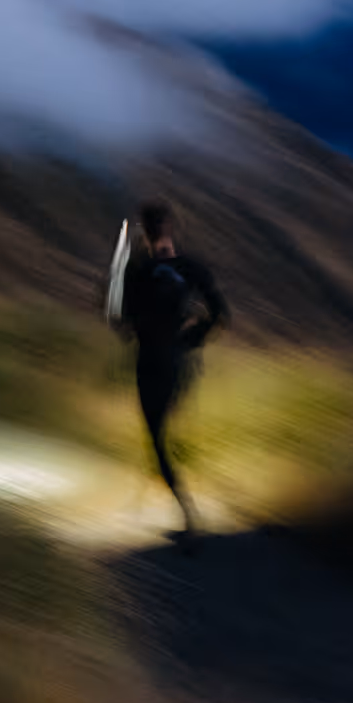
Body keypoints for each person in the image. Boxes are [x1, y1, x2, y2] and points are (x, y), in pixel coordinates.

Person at [115, 200, 228, 537]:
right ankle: (167, 503)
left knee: (157, 437)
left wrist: (134, 325)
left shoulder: (136, 270)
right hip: (181, 360)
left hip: (150, 359)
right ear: (169, 228)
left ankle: (188, 516)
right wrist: (193, 338)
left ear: (144, 231)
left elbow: (122, 323)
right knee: (169, 432)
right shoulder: (191, 267)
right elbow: (221, 314)